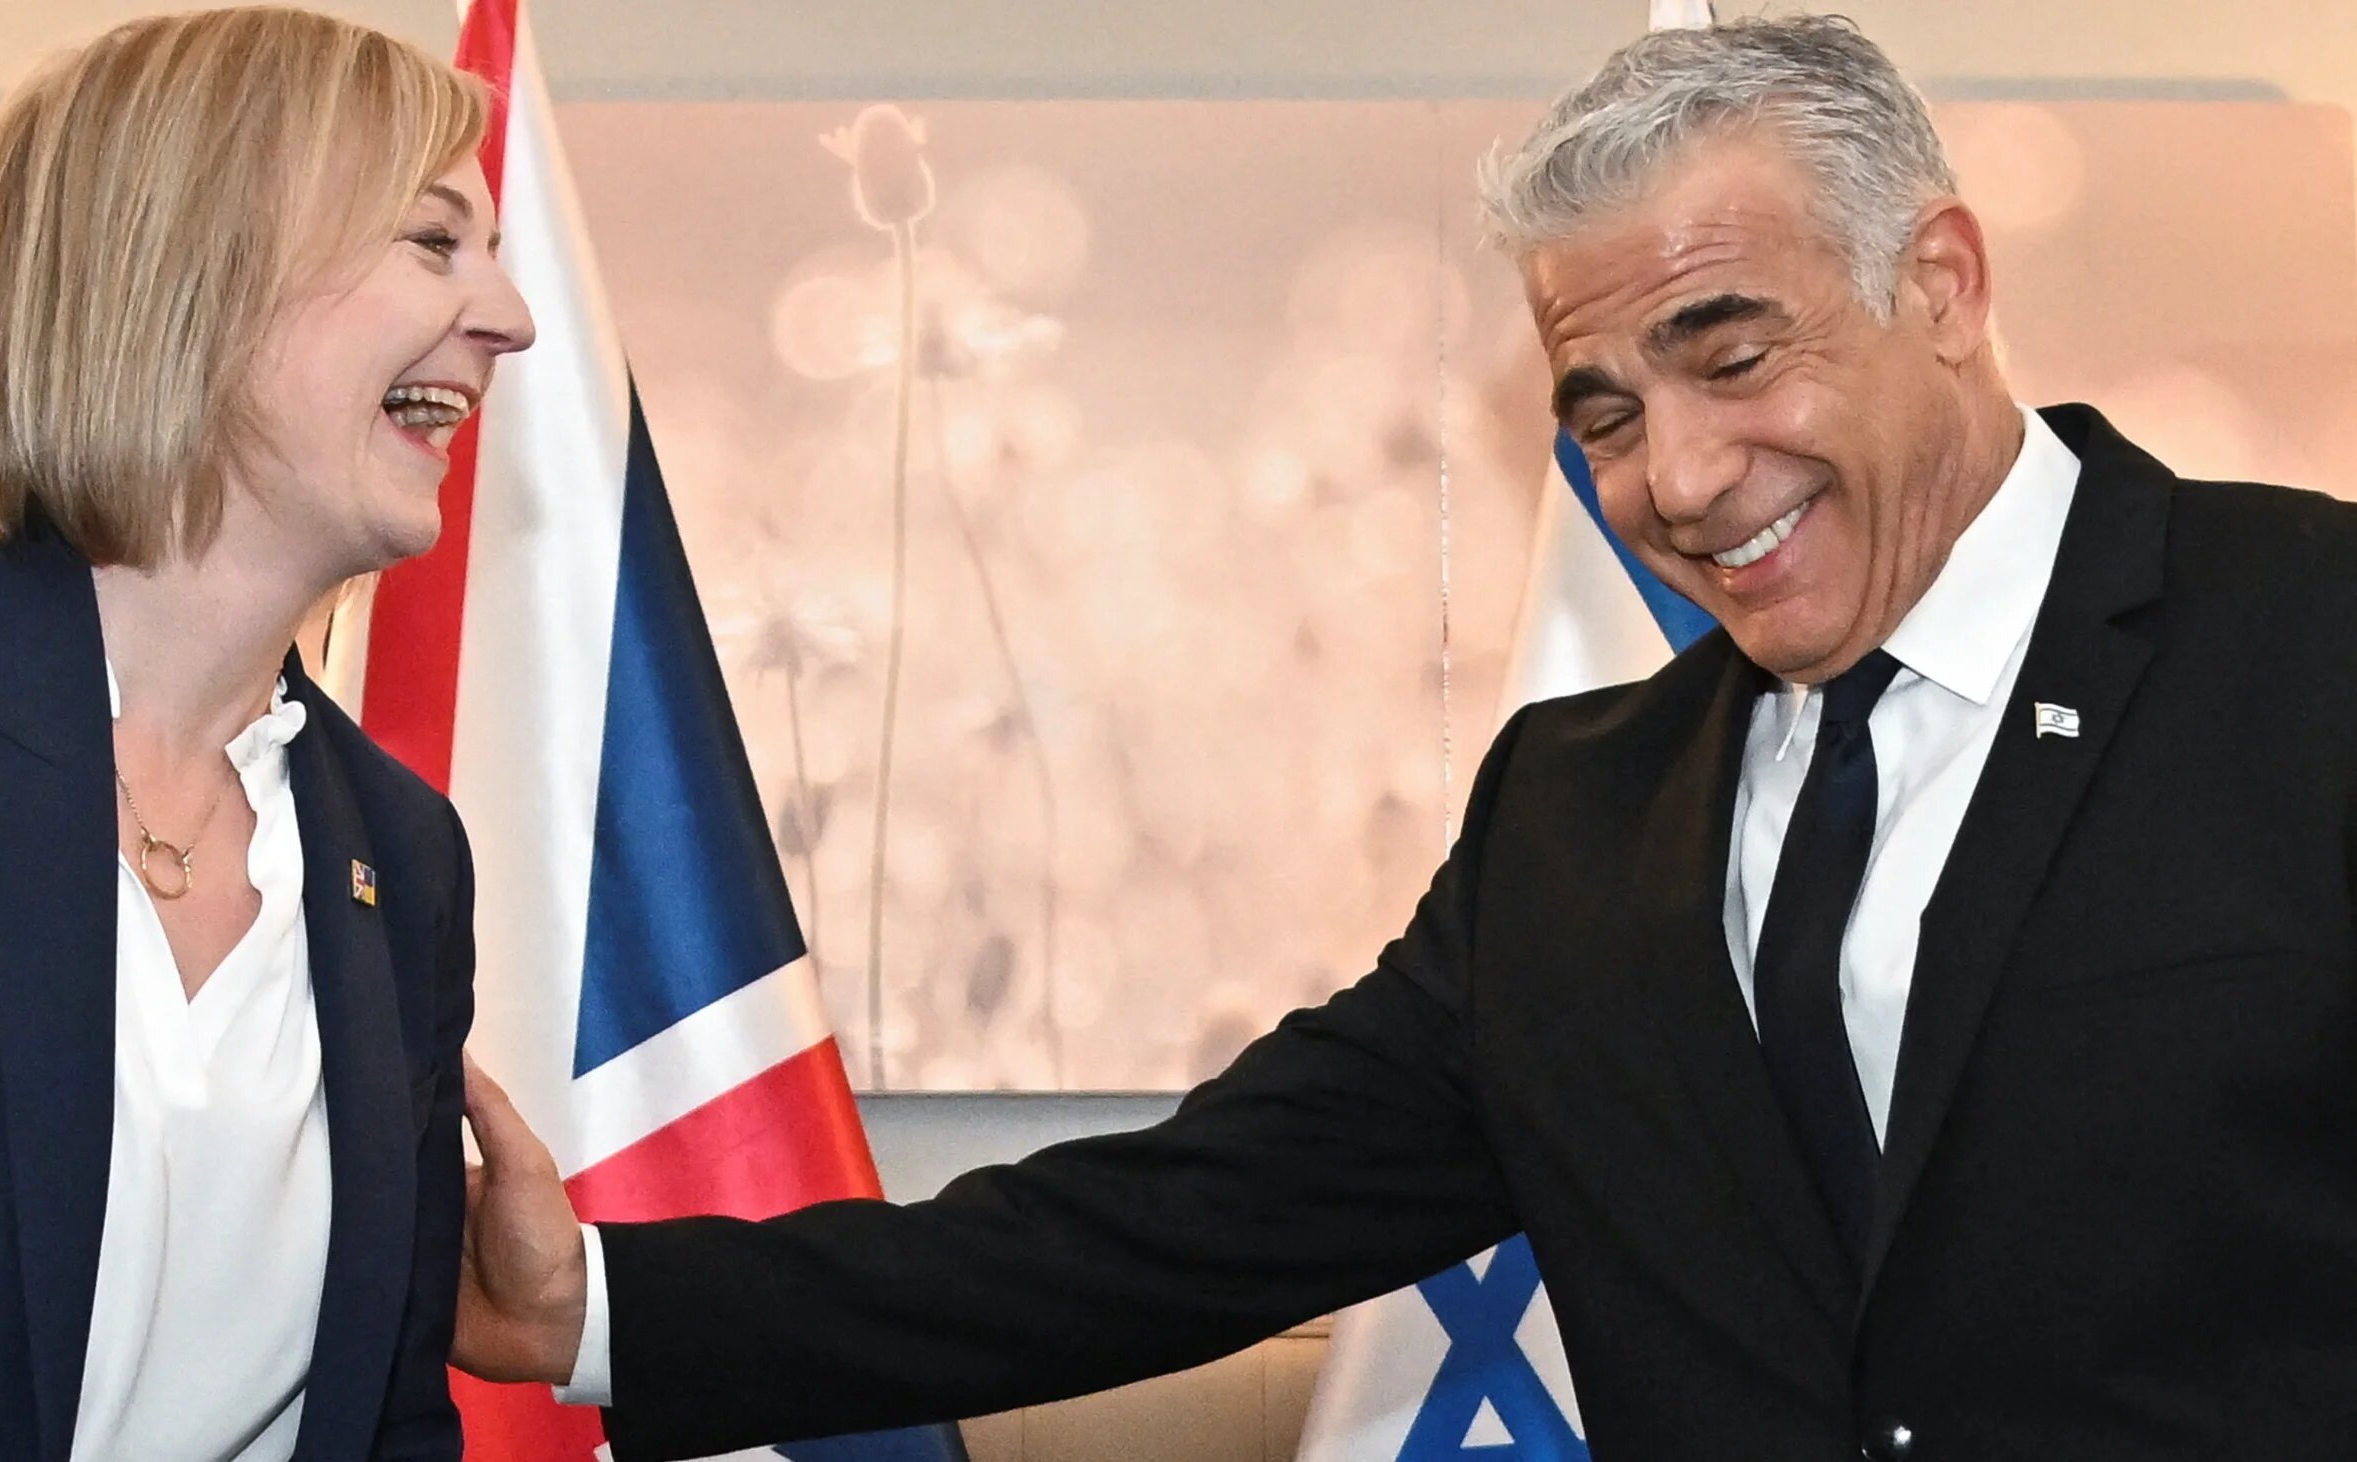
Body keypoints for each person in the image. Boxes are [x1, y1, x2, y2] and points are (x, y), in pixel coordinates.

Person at [454, 15, 2357, 1461]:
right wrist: (598, 1302)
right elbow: (1185, 1222)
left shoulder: (2314, 646)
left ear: (1939, 286)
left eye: (1733, 350)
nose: (1677, 478)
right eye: (1601, 409)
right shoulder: (1577, 815)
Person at [0, 9, 533, 1459]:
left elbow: (395, 1422)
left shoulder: (404, 856)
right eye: (436, 242)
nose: (509, 315)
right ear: (199, 268)